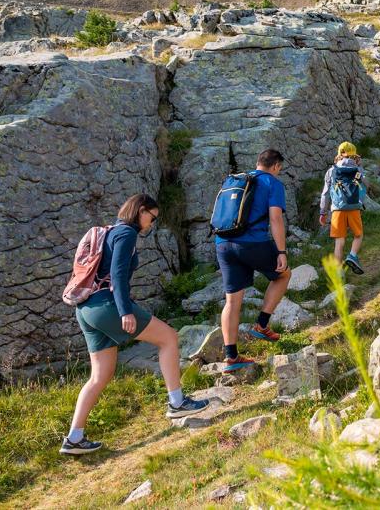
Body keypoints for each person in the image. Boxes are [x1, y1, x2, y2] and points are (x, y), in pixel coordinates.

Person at [61, 194, 209, 456]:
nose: (151, 224)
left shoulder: (109, 232)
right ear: (140, 211)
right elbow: (118, 274)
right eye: (151, 218)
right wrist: (125, 311)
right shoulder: (127, 233)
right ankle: (177, 402)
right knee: (169, 338)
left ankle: (74, 437)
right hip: (107, 305)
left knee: (99, 376)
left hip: (85, 309)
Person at [215, 148, 293, 373]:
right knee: (283, 274)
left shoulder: (236, 180)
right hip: (251, 242)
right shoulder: (272, 183)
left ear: (258, 162)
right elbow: (275, 218)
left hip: (223, 242)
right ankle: (261, 324)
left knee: (232, 301)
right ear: (276, 166)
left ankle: (231, 357)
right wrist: (281, 252)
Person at [319, 141, 366, 276]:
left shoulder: (331, 171)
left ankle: (339, 274)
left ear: (339, 154)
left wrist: (323, 212)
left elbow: (325, 193)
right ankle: (352, 255)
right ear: (354, 154)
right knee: (358, 235)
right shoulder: (358, 170)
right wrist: (359, 166)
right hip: (354, 207)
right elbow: (363, 184)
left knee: (339, 241)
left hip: (337, 209)